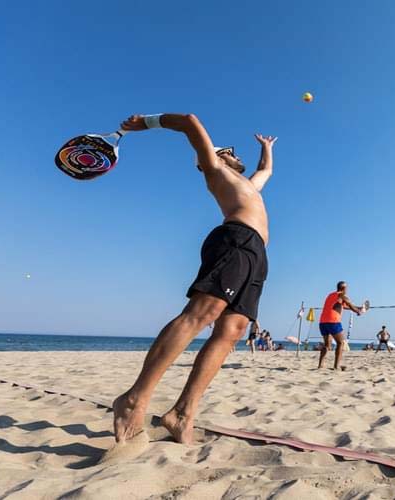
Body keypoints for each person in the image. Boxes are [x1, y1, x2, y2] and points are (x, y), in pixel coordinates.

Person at [112, 113, 276, 444]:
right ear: (209, 159)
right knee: (201, 314)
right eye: (226, 149)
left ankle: (182, 413)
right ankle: (134, 399)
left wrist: (266, 147)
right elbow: (188, 122)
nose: (233, 152)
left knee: (233, 331)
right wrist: (146, 122)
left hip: (256, 252)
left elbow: (266, 171)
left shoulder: (246, 184)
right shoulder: (215, 172)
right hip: (235, 240)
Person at [317, 281, 363, 370]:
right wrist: (358, 311)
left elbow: (344, 306)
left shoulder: (331, 295)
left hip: (322, 322)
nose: (347, 290)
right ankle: (336, 366)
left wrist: (358, 308)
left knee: (326, 345)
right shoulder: (342, 295)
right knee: (340, 343)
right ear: (344, 289)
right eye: (347, 288)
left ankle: (320, 365)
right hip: (333, 321)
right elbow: (350, 304)